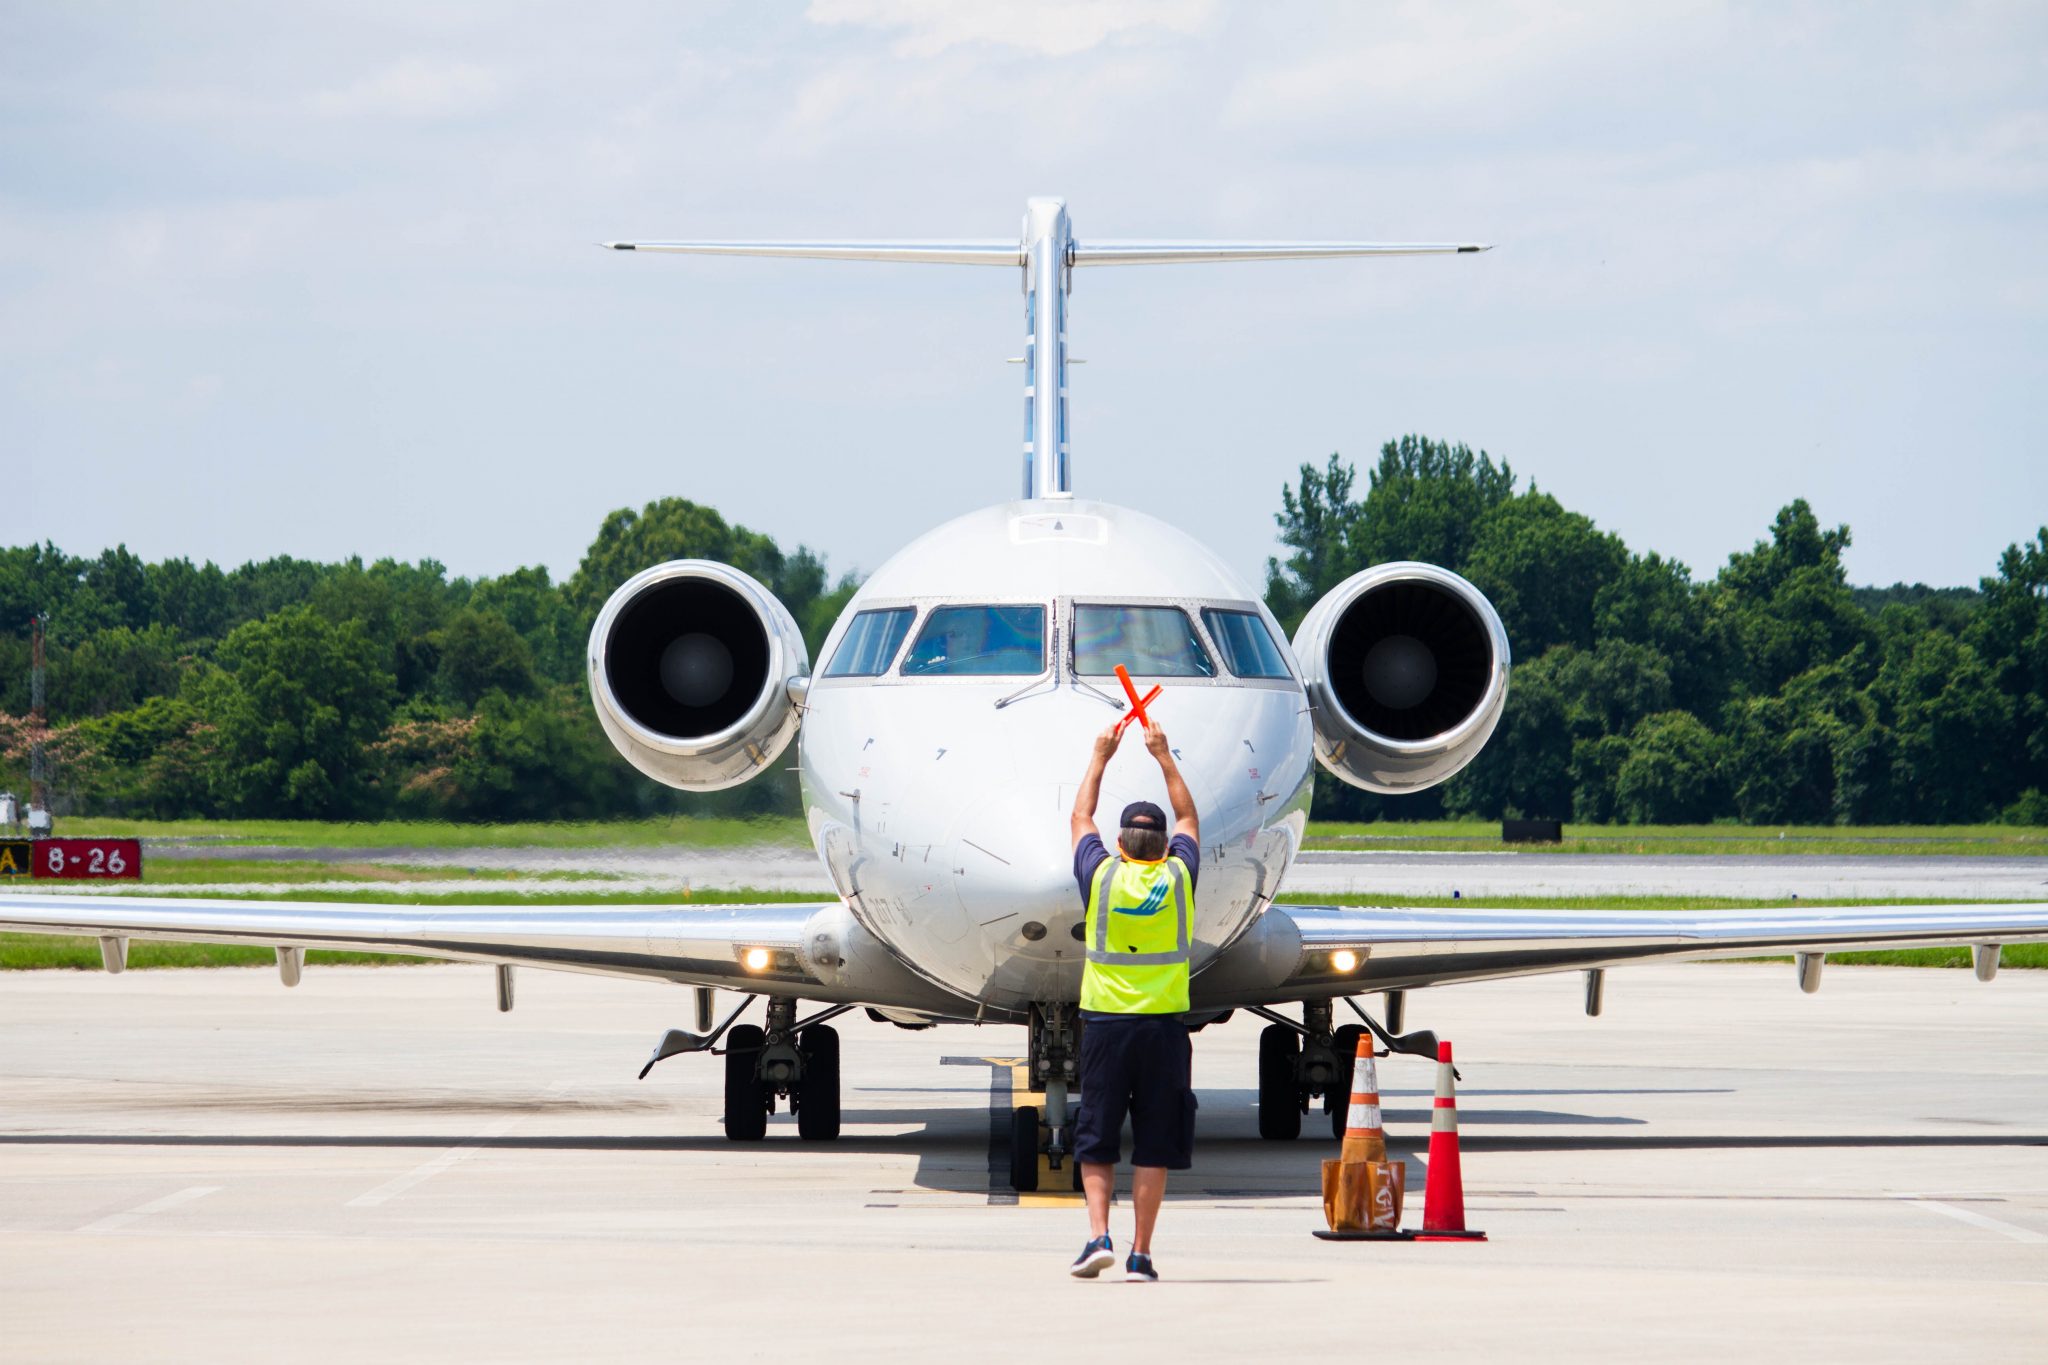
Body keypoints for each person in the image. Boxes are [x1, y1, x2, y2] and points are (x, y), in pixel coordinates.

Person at [1065, 720, 1200, 1282]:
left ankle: (1099, 1235)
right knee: (1154, 1144)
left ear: (1119, 844)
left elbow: (1079, 818)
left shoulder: (1101, 877)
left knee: (1096, 1137)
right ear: (1165, 844)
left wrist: (1100, 756)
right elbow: (1190, 816)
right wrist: (1164, 756)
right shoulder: (1179, 877)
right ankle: (1141, 1252)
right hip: (1164, 1032)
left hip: (1106, 1029)